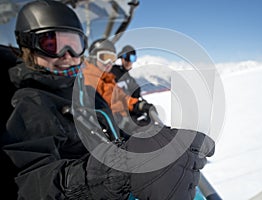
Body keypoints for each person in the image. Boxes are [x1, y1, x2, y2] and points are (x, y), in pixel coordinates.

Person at [1, 0, 215, 199]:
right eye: (52, 44)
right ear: (28, 46)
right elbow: (31, 182)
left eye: (74, 45)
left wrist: (150, 141)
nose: (67, 55)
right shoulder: (29, 103)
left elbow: (114, 127)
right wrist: (124, 169)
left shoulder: (84, 90)